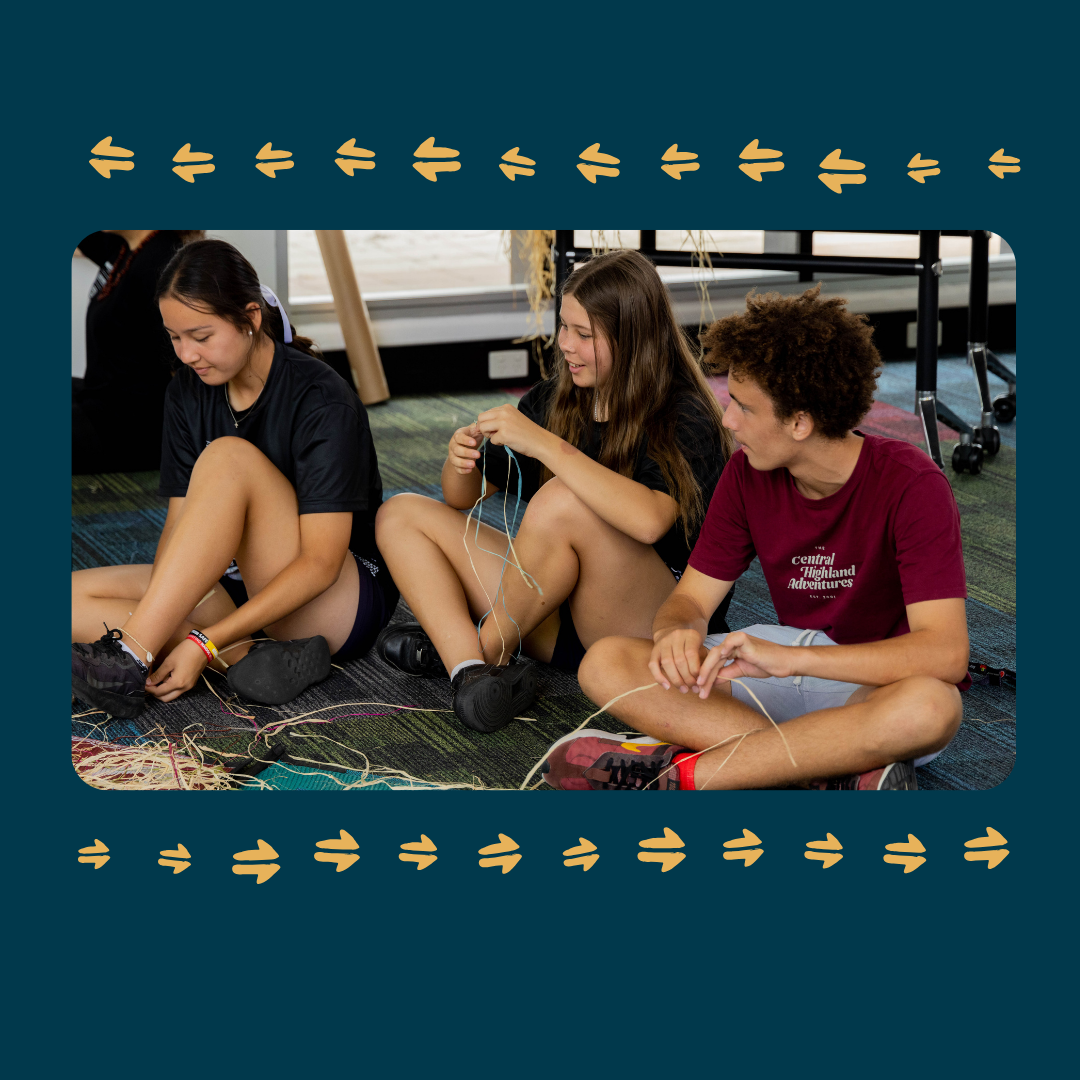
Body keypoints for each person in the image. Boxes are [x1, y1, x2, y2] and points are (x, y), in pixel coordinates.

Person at [540, 285, 969, 791]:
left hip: (872, 681)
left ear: (800, 422)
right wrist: (675, 633)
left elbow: (945, 653)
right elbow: (691, 601)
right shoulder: (746, 473)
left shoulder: (912, 484)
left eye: (744, 407)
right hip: (780, 669)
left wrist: (792, 659)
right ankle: (830, 770)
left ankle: (686, 775)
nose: (727, 420)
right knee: (607, 662)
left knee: (933, 707)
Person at [374, 248, 734, 734]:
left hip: (642, 626)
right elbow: (461, 498)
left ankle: (476, 650)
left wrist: (547, 446)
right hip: (544, 613)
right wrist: (459, 460)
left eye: (584, 334)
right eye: (563, 326)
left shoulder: (684, 413)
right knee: (401, 513)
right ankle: (471, 673)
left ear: (633, 339)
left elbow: (650, 520)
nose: (565, 344)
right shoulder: (557, 396)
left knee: (564, 500)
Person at [72, 239, 398, 718]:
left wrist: (201, 641)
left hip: (332, 599)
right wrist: (175, 617)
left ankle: (135, 658)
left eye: (201, 337)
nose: (186, 354)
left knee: (227, 457)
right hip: (230, 590)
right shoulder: (186, 392)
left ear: (251, 317)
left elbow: (321, 563)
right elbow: (177, 531)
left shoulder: (321, 398)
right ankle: (246, 659)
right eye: (175, 337)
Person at [73, 230, 204, 474]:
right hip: (98, 398)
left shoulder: (162, 261)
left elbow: (185, 363)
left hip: (127, 426)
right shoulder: (121, 247)